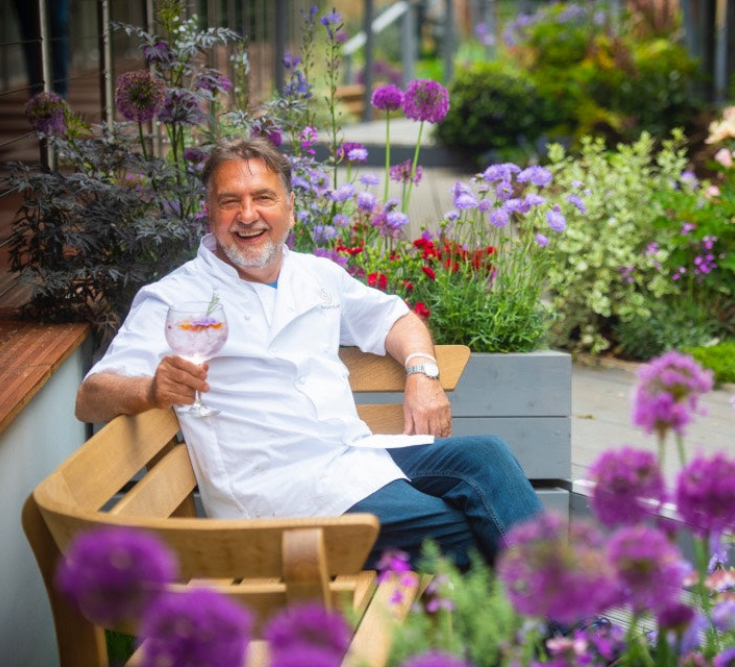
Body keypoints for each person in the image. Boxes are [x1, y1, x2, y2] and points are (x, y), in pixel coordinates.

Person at [75, 137, 543, 569]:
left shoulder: (317, 275)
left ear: (291, 209)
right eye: (229, 201)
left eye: (263, 197)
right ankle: (570, 637)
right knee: (464, 532)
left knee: (487, 457)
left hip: (352, 458)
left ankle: (565, 631)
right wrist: (152, 388)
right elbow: (90, 396)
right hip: (278, 495)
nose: (247, 214)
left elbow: (396, 319)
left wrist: (422, 373)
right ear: (209, 213)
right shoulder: (176, 296)